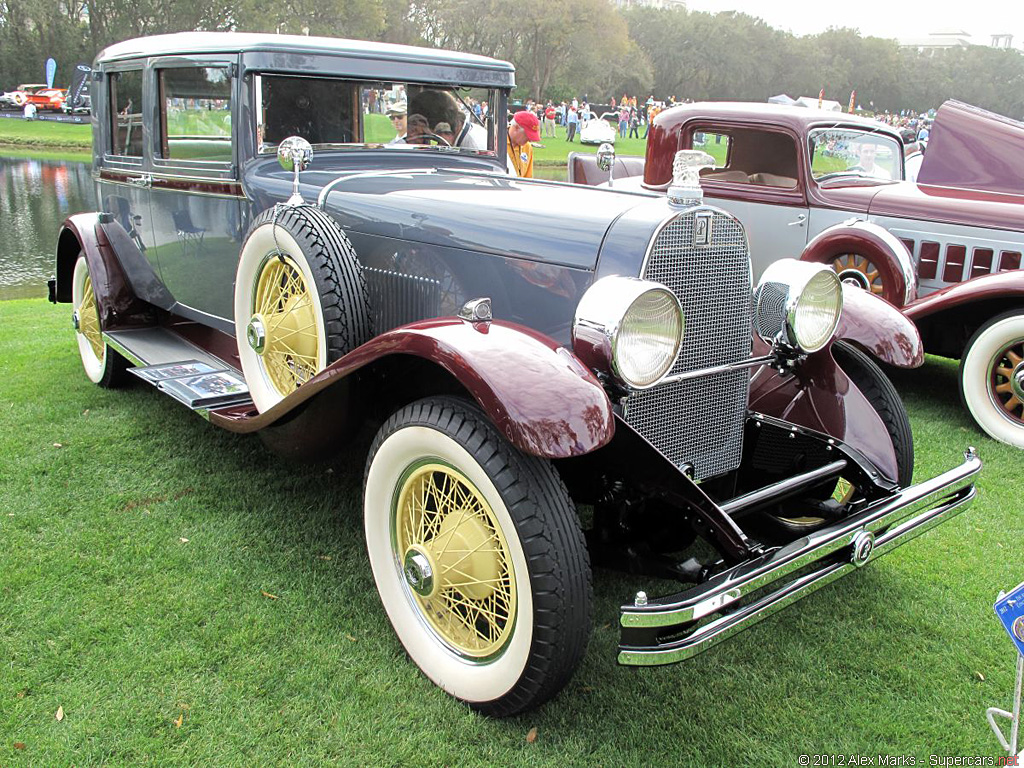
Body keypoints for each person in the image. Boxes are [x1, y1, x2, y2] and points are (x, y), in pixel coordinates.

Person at [507, 110, 539, 177]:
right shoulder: (495, 143)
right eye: (528, 135)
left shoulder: (527, 147)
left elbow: (528, 178)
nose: (530, 140)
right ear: (516, 128)